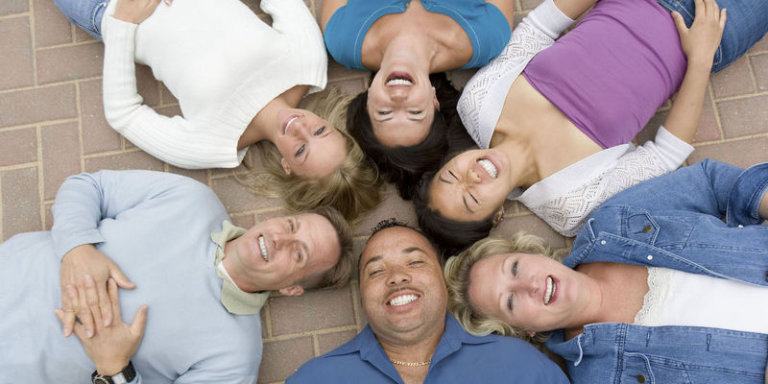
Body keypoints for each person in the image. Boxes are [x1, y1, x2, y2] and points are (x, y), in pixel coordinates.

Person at [415, 0, 768, 255]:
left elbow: (540, 26)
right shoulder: (567, 204)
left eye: (451, 176)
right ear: (495, 217)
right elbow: (665, 154)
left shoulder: (477, 104)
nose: (471, 177)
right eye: (472, 198)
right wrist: (702, 57)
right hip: (708, 27)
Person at [0, 170, 354, 383]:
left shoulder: (235, 358)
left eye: (298, 253)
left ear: (291, 288)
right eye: (291, 225)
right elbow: (88, 186)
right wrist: (77, 248)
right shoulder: (193, 199)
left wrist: (114, 367)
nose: (279, 238)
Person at [52, 0, 381, 221]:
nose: (300, 128)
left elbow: (124, 114)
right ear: (334, 125)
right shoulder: (307, 63)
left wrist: (122, 22)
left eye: (300, 149)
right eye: (320, 131)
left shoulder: (213, 144)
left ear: (287, 167)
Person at [446, 159, 768, 383]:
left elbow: (709, 183)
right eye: (510, 302)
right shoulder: (603, 376)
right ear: (524, 331)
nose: (528, 285)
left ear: (528, 252)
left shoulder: (615, 223)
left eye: (514, 268)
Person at [287, 219, 568, 383]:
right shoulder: (316, 378)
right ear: (362, 298)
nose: (397, 277)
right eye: (376, 271)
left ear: (443, 282)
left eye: (415, 262)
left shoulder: (518, 364)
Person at [320, 0, 514, 199]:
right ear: (434, 101)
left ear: (367, 100)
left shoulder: (342, 39)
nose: (398, 98)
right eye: (415, 112)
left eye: (384, 112)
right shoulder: (487, 37)